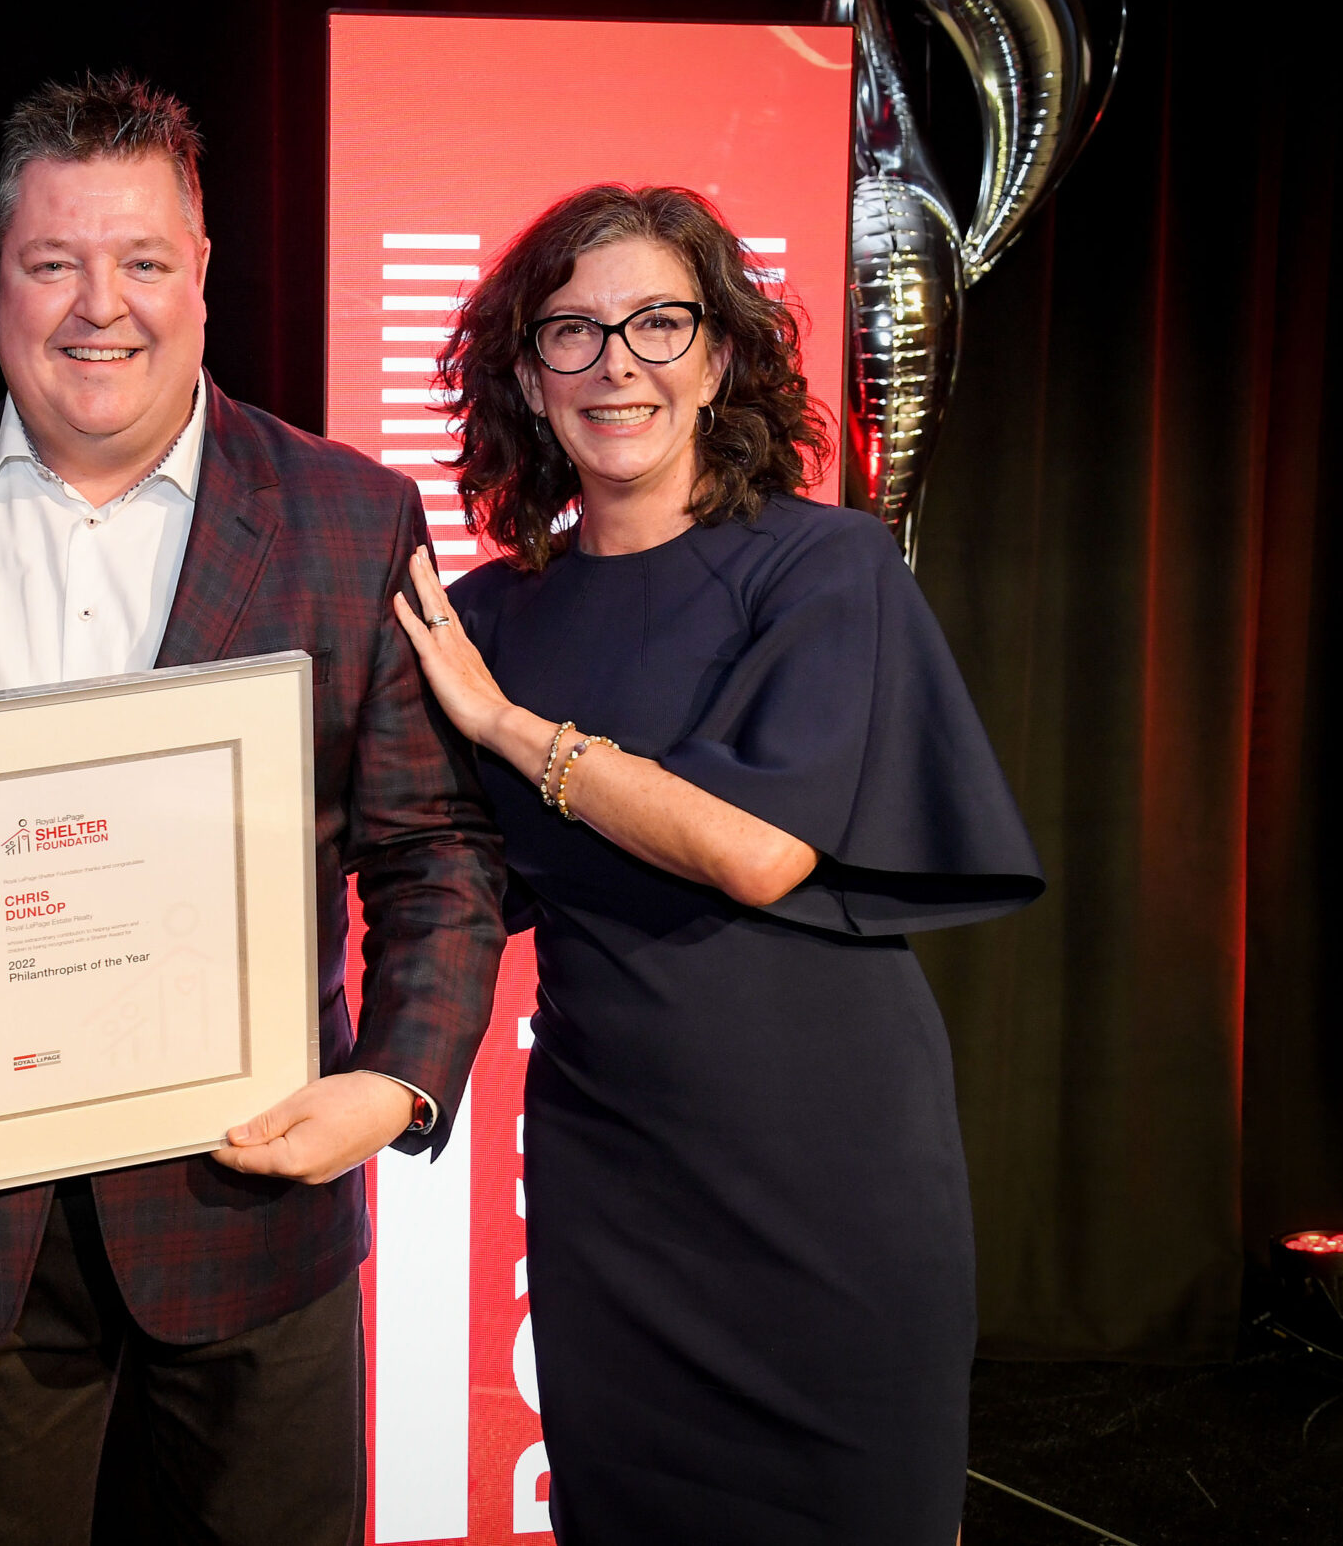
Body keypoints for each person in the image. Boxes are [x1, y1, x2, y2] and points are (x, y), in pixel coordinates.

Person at [0, 74, 505, 1545]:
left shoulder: (349, 516)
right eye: (55, 261)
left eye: (141, 261)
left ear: (201, 273)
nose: (98, 307)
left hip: (252, 1216)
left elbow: (434, 850)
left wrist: (394, 1086)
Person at [396, 183, 1043, 1546]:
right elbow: (419, 870)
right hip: (615, 1188)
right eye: (572, 331)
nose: (616, 362)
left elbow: (755, 851)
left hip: (835, 1184)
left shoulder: (826, 566)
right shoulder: (485, 618)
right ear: (526, 373)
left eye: (657, 322)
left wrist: (515, 733)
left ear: (722, 355)